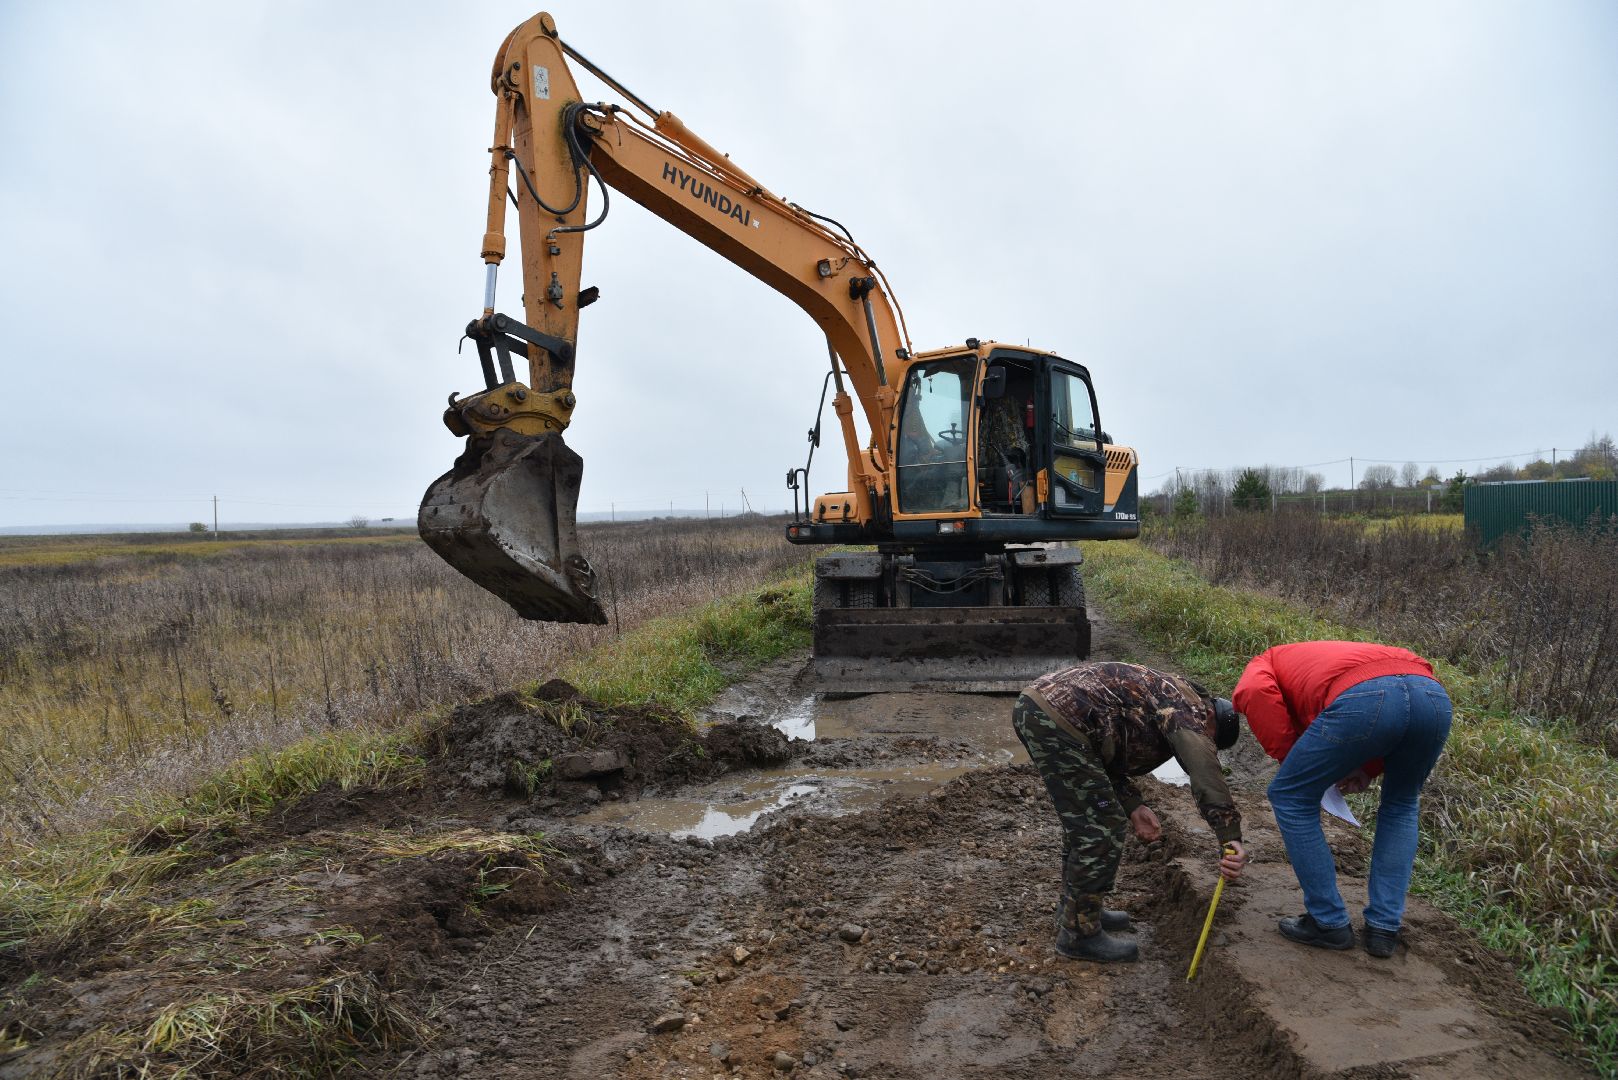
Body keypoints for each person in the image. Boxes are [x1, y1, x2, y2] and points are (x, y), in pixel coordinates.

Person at [1013, 662, 1248, 963]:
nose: (1206, 741)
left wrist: (1133, 805)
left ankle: (1078, 910)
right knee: (1100, 828)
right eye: (1210, 739)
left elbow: (1100, 754)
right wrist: (1230, 835)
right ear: (1211, 716)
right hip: (1057, 719)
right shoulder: (1189, 710)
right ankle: (1078, 934)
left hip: (1045, 710)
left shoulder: (1170, 696)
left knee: (1089, 820)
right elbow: (1204, 771)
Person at [1232, 641, 1452, 958]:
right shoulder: (1321, 657)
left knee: (1289, 794)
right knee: (1402, 803)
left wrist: (1291, 759)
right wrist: (1367, 766)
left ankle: (1328, 922)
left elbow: (1254, 692)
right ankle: (1384, 929)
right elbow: (1401, 702)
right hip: (1432, 698)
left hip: (1366, 700)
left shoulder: (1264, 661)